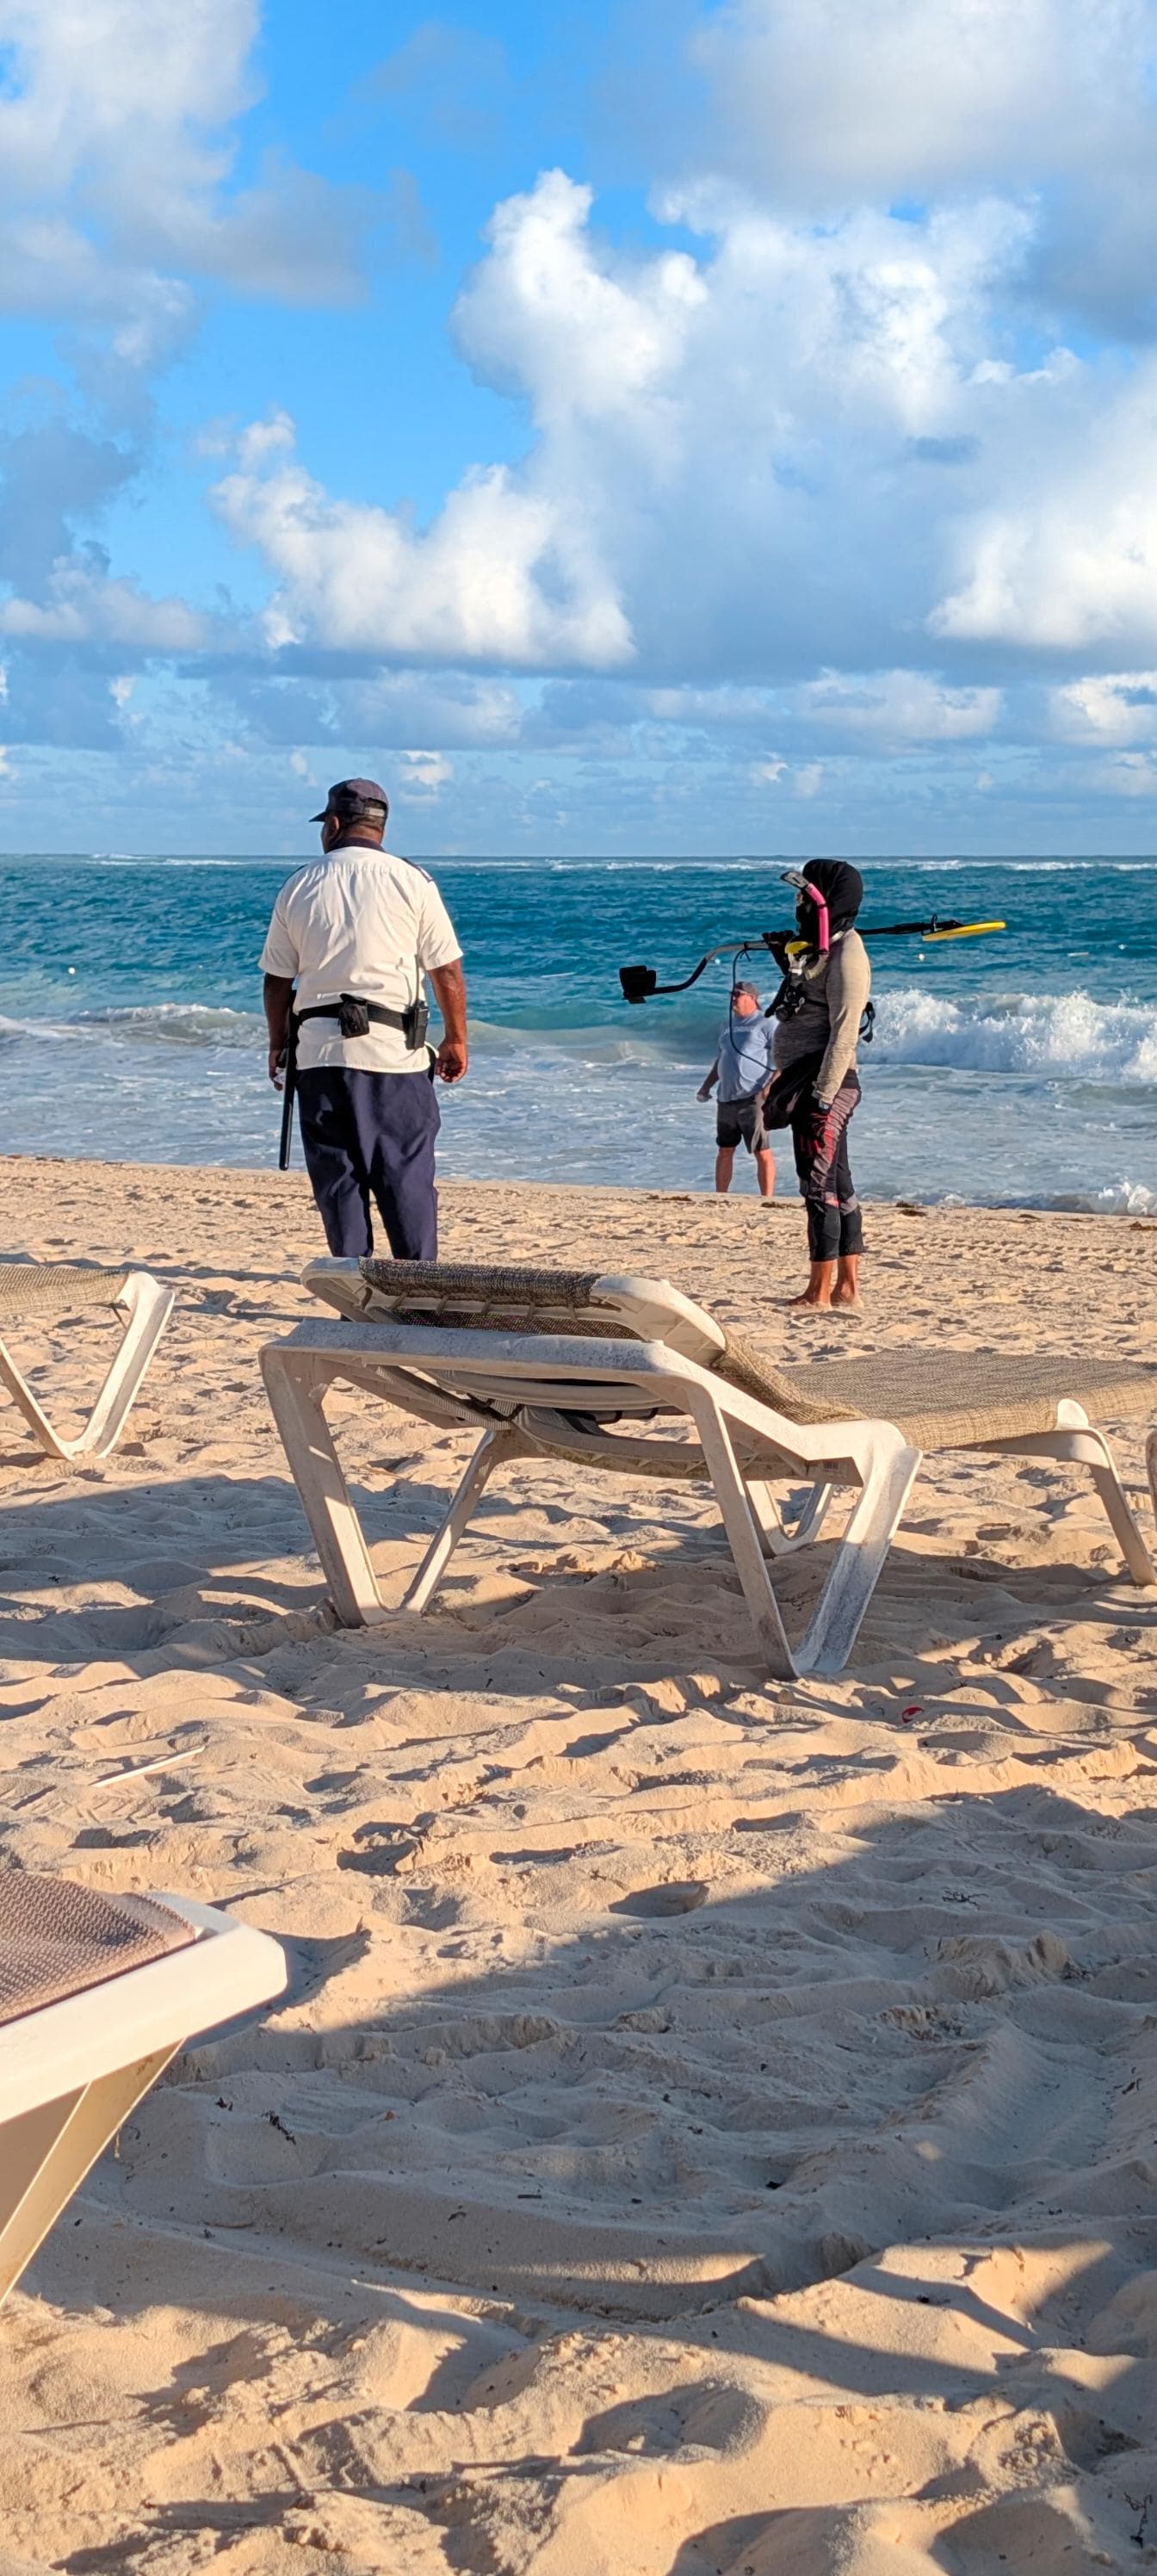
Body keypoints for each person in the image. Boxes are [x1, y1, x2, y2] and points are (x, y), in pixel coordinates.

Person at [261, 777, 467, 1261]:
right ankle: (417, 1287)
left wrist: (277, 1043)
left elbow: (277, 981)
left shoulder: (299, 884)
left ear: (332, 824)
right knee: (406, 1177)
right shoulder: (413, 881)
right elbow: (447, 970)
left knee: (338, 1180)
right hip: (395, 1055)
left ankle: (354, 1288)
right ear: (381, 826)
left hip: (319, 1056)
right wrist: (456, 1038)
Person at [768, 860, 869, 1310]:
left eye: (804, 896)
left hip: (828, 1083)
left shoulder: (849, 953)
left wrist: (821, 1099)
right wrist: (786, 955)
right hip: (807, 1078)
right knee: (838, 1182)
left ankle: (818, 1292)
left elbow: (844, 1033)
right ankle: (847, 1287)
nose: (797, 904)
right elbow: (805, 989)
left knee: (818, 1186)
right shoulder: (821, 946)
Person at [696, 981, 776, 1198]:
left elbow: (785, 1058)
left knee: (761, 1150)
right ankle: (721, 1196)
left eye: (738, 994)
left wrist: (770, 1086)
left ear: (752, 998)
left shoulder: (766, 1023)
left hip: (753, 1097)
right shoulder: (727, 1025)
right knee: (725, 1150)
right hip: (726, 1097)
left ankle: (767, 1198)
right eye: (731, 994)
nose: (733, 998)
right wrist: (706, 1086)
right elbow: (721, 1059)